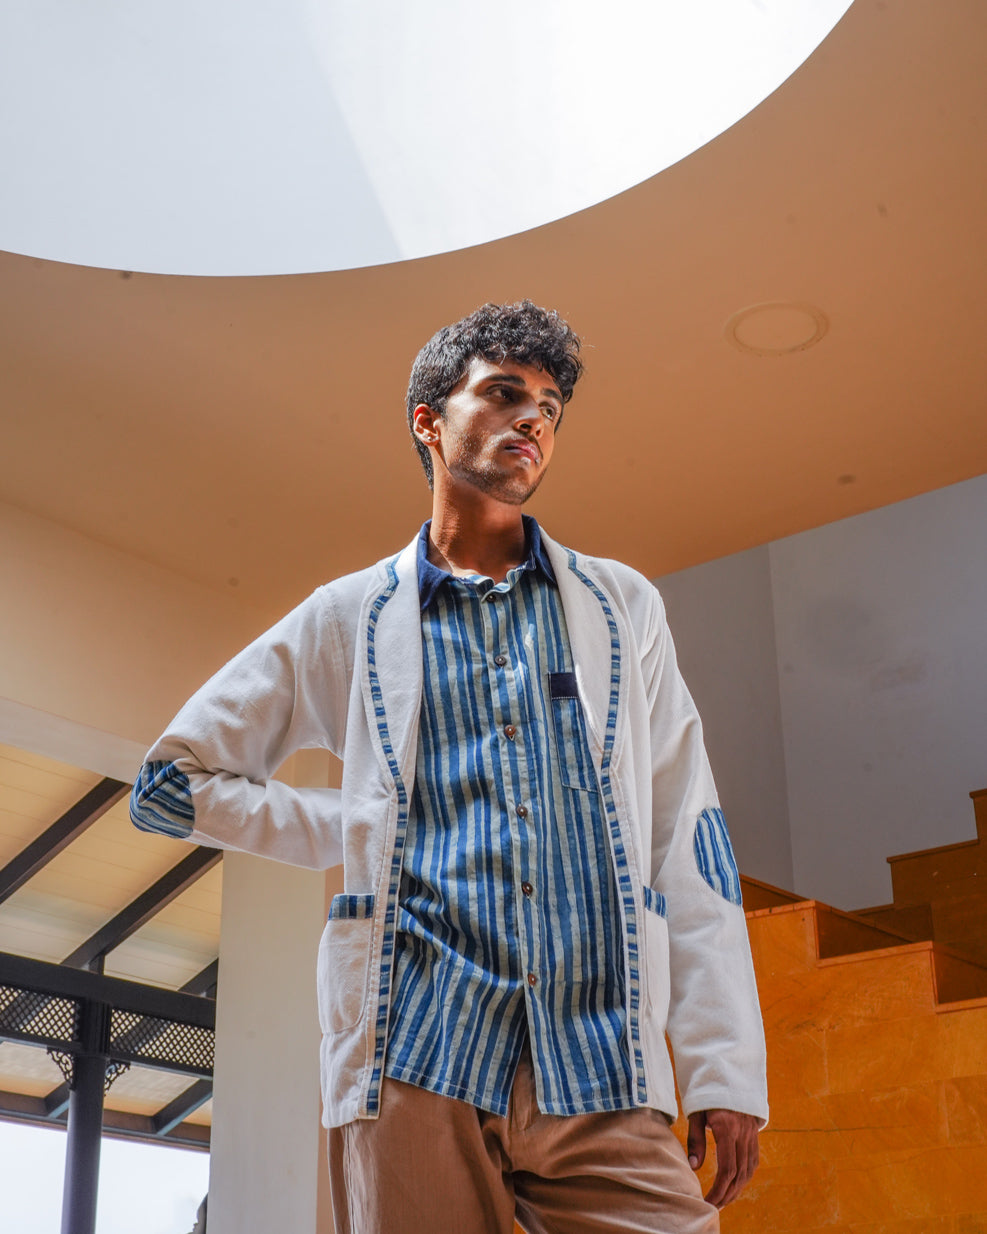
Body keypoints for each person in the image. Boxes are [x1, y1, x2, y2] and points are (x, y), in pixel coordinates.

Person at [131, 300, 767, 1233]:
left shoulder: (619, 605)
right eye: (505, 393)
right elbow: (168, 784)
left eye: (550, 406)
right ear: (429, 422)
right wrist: (357, 827)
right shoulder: (347, 614)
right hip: (412, 1056)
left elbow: (686, 830)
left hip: (598, 1057)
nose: (533, 420)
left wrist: (722, 1065)